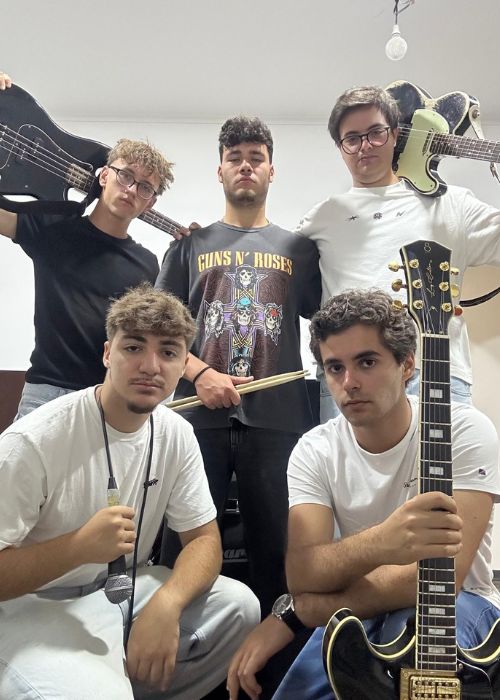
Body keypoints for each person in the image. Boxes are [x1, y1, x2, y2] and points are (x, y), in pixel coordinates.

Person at [227, 289, 500, 700]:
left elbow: (442, 578)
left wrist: (304, 612)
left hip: (459, 606)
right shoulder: (314, 450)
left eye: (367, 362)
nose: (349, 383)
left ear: (407, 365)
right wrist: (384, 541)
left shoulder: (463, 430)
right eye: (334, 367)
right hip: (358, 614)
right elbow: (302, 574)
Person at [0, 283, 260, 700]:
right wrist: (78, 547)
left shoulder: (176, 434)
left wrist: (168, 604)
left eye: (168, 352)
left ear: (184, 366)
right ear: (108, 353)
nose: (150, 366)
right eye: (134, 347)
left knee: (239, 608)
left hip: (122, 592)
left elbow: (204, 541)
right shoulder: (32, 441)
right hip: (32, 606)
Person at [155, 116, 321, 616]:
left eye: (256, 158)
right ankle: (177, 645)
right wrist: (200, 374)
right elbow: (158, 334)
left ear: (272, 171)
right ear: (220, 171)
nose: (245, 166)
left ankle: (277, 654)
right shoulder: (188, 245)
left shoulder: (300, 250)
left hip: (279, 420)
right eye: (235, 158)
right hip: (195, 417)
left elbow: (330, 319)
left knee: (279, 554)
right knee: (181, 544)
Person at [295, 85, 500, 420]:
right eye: (352, 138)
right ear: (341, 148)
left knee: (441, 458)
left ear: (394, 134)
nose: (365, 146)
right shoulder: (321, 217)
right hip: (348, 378)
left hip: (435, 370)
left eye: (375, 132)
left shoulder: (453, 204)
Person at [0, 72, 183, 418]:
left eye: (145, 187)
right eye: (126, 175)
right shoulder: (53, 229)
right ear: (105, 175)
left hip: (109, 398)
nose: (131, 189)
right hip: (44, 394)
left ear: (150, 203)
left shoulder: (146, 263)